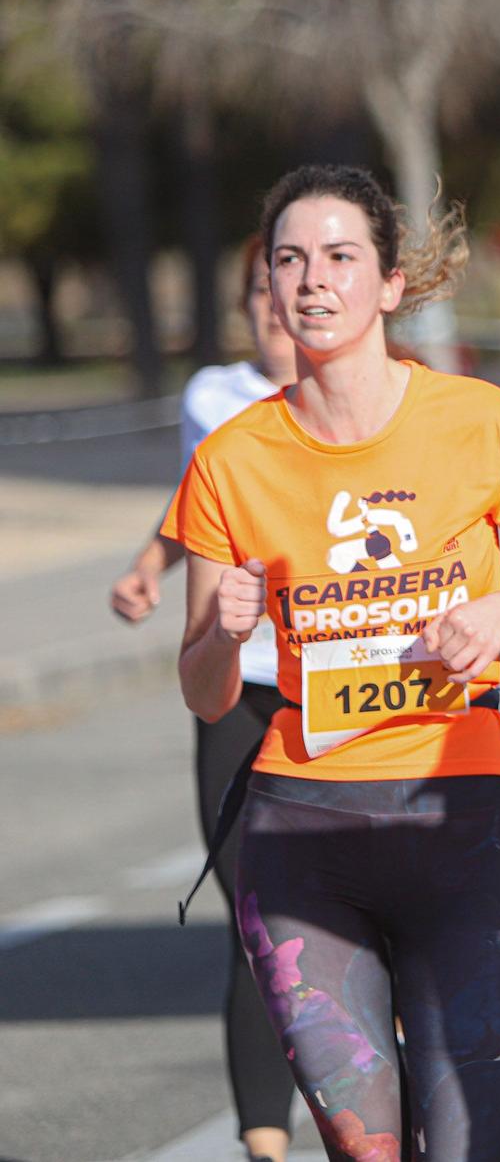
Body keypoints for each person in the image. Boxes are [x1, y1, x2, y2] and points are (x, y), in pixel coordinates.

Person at [164, 163, 500, 1162]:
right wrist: (222, 631)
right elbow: (201, 687)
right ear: (266, 285)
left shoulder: (478, 421)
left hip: (458, 818)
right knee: (368, 1148)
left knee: (469, 1141)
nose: (311, 280)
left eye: (340, 257)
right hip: (303, 833)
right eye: (289, 260)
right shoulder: (229, 460)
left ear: (389, 283)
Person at [110, 236, 301, 1162]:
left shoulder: (373, 396)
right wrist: (153, 563)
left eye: (296, 281)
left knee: (354, 910)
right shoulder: (213, 398)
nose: (280, 303)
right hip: (235, 683)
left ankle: (381, 1075)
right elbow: (199, 499)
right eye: (261, 289)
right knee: (255, 917)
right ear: (244, 305)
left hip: (332, 690)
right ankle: (265, 1144)